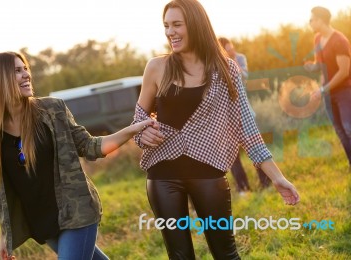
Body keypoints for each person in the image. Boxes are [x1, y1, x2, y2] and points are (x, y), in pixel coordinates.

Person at [131, 0, 300, 259]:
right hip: (162, 174)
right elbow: (139, 118)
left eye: (177, 24)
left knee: (226, 253)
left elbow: (246, 125)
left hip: (208, 172)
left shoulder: (225, 69)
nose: (170, 32)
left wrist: (276, 177)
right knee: (180, 256)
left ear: (196, 25)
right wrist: (143, 134)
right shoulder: (156, 67)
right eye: (166, 26)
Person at [0, 52, 154, 260]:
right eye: (17, 71)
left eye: (25, 69)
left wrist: (132, 129)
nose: (26, 75)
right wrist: (5, 233)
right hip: (43, 223)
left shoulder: (52, 110)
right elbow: (6, 190)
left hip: (76, 212)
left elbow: (90, 146)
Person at [218, 37, 271, 192]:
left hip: (244, 111)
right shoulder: (215, 65)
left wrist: (232, 60)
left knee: (256, 147)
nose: (232, 49)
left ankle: (266, 182)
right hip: (226, 117)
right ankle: (243, 188)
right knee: (233, 155)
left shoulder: (239, 59)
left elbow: (244, 77)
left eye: (232, 46)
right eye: (228, 48)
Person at [304, 6, 351, 172]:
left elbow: (344, 71)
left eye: (311, 20)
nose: (309, 23)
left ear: (320, 20)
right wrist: (313, 67)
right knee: (340, 132)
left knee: (349, 129)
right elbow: (321, 65)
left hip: (345, 92)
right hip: (328, 94)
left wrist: (323, 90)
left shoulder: (340, 41)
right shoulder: (317, 39)